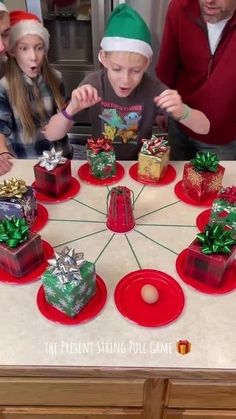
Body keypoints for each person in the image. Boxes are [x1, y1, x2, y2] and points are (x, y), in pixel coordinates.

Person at [44, 3, 210, 161]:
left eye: (136, 71)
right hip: (100, 165)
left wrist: (183, 111)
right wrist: (72, 108)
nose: (125, 80)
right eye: (117, 69)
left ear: (147, 63)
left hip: (139, 168)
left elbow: (205, 127)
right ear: (103, 58)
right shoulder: (93, 84)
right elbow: (51, 134)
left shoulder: (152, 88)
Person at [156, 0, 236, 160]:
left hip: (222, 137)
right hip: (180, 124)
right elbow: (168, 63)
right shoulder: (180, 7)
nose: (208, 1)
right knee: (175, 182)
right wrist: (161, 110)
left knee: (214, 185)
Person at [0, 10, 73, 176]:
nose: (33, 56)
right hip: (29, 164)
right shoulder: (4, 87)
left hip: (62, 158)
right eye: (24, 49)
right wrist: (2, 152)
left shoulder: (56, 78)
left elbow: (65, 114)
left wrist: (71, 112)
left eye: (39, 48)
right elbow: (1, 126)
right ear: (12, 51)